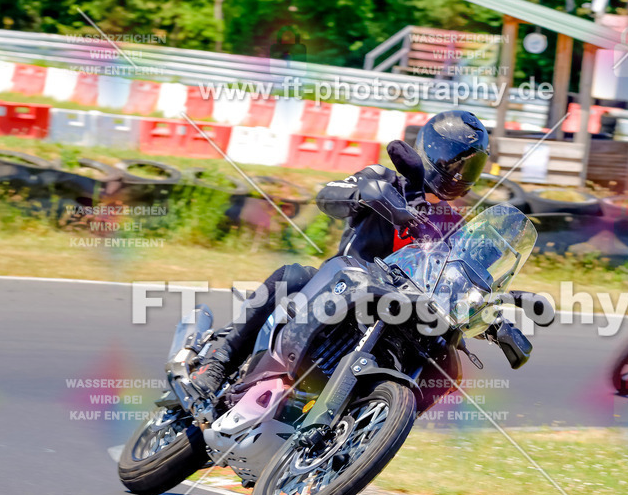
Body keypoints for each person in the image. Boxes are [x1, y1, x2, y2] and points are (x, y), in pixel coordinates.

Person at [189, 109, 491, 398]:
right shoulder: (385, 180)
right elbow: (327, 196)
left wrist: (492, 315)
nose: (459, 173)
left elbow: (466, 276)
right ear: (432, 152)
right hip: (343, 287)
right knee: (292, 277)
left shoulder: (455, 225)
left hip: (399, 313)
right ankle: (219, 357)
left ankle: (363, 427)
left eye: (470, 167)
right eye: (455, 162)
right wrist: (367, 195)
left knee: (446, 365)